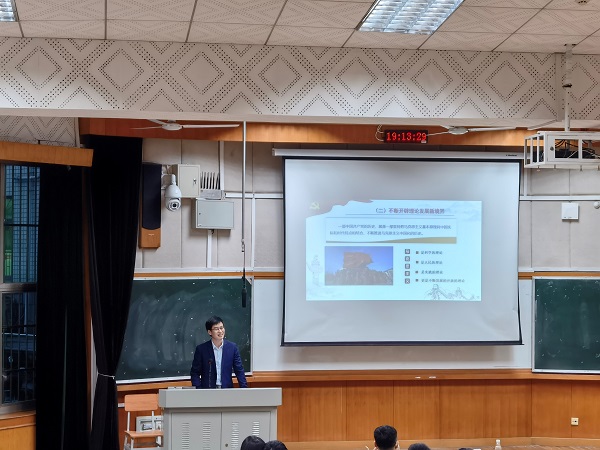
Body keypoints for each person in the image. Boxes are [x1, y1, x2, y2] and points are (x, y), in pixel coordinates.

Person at [190, 315, 248, 388]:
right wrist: (199, 389)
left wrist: (244, 389)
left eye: (221, 328)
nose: (220, 331)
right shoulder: (201, 349)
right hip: (207, 390)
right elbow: (195, 373)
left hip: (226, 389)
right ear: (209, 332)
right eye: (216, 329)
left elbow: (239, 371)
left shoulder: (232, 348)